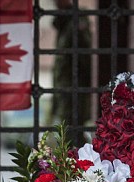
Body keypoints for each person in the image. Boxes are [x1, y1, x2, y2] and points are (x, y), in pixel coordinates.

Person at [51, 0, 92, 146]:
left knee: (72, 129)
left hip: (74, 86)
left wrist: (82, 85)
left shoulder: (76, 20)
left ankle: (76, 161)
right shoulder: (63, 22)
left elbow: (85, 54)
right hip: (64, 86)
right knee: (66, 128)